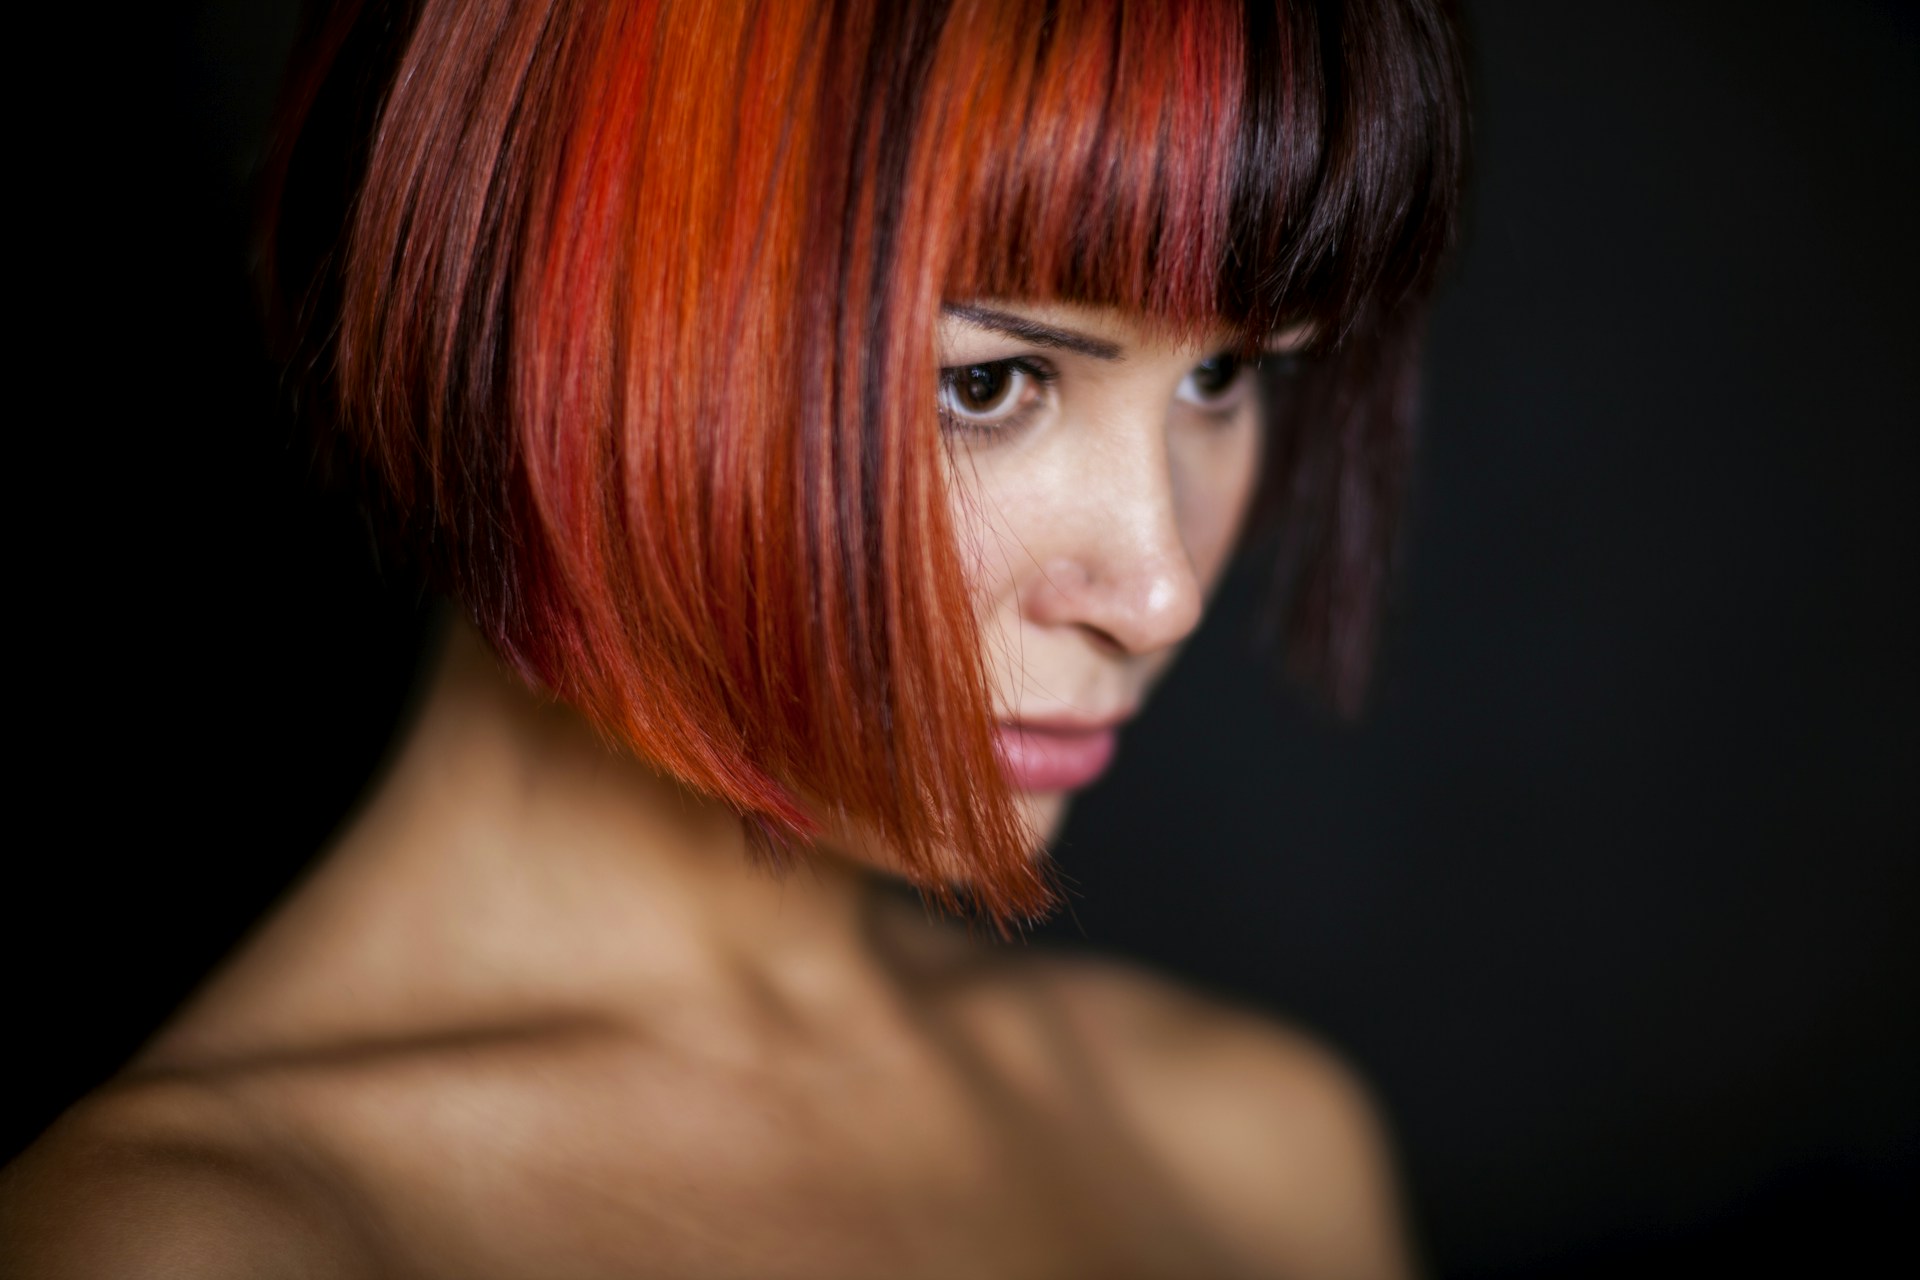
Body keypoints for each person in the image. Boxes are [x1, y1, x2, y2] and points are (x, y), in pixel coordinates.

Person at [2, 0, 1466, 1274]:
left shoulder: (1261, 1149)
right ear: (555, 309)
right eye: (992, 383)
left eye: (1221, 375)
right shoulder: (198, 1249)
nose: (1159, 592)